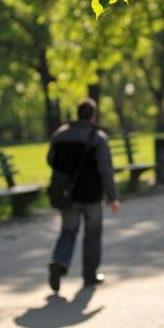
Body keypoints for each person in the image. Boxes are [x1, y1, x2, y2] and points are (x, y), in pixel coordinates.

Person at [47, 99, 121, 292]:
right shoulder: (98, 138)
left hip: (67, 194)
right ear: (93, 115)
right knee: (92, 235)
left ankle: (59, 261)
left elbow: (51, 160)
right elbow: (106, 170)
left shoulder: (60, 134)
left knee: (68, 231)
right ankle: (90, 275)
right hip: (91, 196)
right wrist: (113, 197)